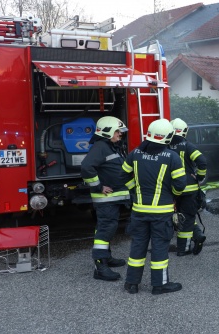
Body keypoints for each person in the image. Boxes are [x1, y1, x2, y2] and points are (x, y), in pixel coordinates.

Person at [120, 119, 187, 295]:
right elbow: (180, 185)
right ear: (168, 137)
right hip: (162, 213)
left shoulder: (135, 153)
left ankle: (131, 283)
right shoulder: (172, 157)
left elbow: (123, 175)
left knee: (137, 246)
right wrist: (171, 194)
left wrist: (134, 190)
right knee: (159, 248)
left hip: (139, 210)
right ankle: (159, 285)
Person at [81, 116, 131, 281]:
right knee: (106, 229)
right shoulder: (101, 146)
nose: (120, 135)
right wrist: (98, 186)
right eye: (117, 131)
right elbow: (87, 167)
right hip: (106, 199)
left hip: (112, 199)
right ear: (108, 131)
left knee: (107, 227)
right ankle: (100, 266)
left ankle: (107, 258)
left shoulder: (110, 146)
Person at [168, 118, 208, 256]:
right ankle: (183, 249)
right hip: (189, 189)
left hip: (171, 189)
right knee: (188, 216)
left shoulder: (164, 145)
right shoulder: (187, 145)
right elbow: (202, 161)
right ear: (185, 131)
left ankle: (195, 235)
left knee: (174, 215)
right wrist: (200, 177)